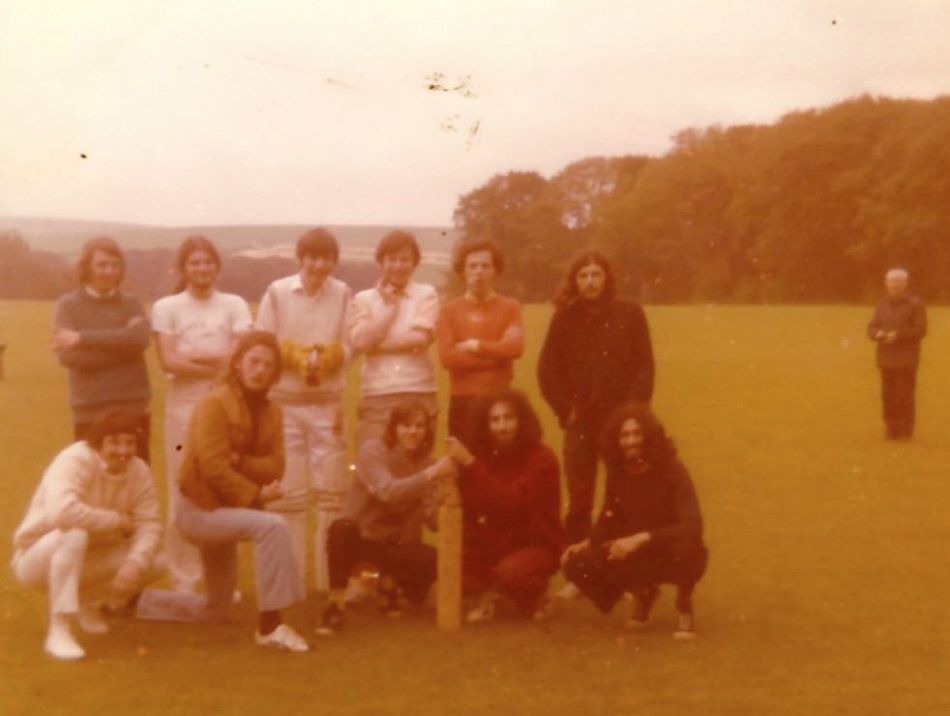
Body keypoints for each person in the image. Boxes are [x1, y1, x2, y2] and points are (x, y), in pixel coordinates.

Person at [136, 331, 309, 652]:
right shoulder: (214, 403)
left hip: (228, 511)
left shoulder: (273, 412)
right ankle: (271, 626)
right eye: (254, 361)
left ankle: (137, 601)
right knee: (272, 526)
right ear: (238, 364)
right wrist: (255, 496)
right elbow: (214, 467)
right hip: (199, 512)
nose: (260, 370)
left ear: (275, 373)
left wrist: (239, 460)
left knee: (214, 610)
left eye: (268, 365)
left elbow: (277, 467)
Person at [11, 409, 164, 660]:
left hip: (87, 557)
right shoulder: (74, 459)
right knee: (74, 535)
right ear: (98, 442)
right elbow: (62, 513)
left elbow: (150, 523)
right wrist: (116, 521)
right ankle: (59, 628)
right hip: (37, 557)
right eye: (114, 442)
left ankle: (87, 604)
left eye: (130, 443)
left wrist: (134, 564)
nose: (123, 450)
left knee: (156, 562)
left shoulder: (139, 470)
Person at [151, 236, 253, 594]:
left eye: (208, 262)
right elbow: (168, 360)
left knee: (221, 488)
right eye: (194, 263)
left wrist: (192, 356)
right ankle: (184, 577)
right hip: (183, 408)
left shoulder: (234, 304)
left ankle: (220, 579)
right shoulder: (167, 307)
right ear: (183, 268)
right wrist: (219, 360)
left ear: (217, 266)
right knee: (183, 487)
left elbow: (241, 357)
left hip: (226, 409)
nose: (202, 268)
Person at [538, 251, 654, 554]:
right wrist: (566, 410)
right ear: (574, 281)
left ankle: (626, 562)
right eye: (583, 275)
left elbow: (645, 368)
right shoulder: (564, 318)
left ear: (607, 278)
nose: (590, 282)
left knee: (628, 494)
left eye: (596, 274)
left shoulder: (630, 314)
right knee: (580, 499)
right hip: (581, 424)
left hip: (622, 424)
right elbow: (547, 371)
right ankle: (580, 569)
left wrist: (632, 416)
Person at [255, 228, 351, 592]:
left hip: (327, 404)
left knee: (330, 496)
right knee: (290, 497)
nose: (319, 265)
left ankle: (330, 582)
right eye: (312, 257)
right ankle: (290, 581)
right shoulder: (278, 292)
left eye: (326, 258)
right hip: (285, 405)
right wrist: (293, 355)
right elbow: (263, 340)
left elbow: (350, 343)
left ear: (333, 261)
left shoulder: (342, 293)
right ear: (301, 259)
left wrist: (331, 358)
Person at [561, 404, 708, 638]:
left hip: (670, 547)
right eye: (624, 435)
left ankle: (684, 604)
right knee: (577, 562)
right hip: (635, 549)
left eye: (637, 434)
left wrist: (641, 538)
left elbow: (692, 525)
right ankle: (644, 593)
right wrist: (588, 542)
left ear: (648, 436)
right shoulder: (617, 470)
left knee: (687, 550)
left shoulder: (672, 469)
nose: (631, 441)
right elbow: (609, 514)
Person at [318, 399, 456, 634]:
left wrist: (448, 491)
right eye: (406, 425)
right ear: (394, 428)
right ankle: (335, 605)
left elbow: (433, 523)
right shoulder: (372, 451)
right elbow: (388, 491)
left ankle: (388, 587)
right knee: (340, 528)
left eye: (419, 426)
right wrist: (432, 474)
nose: (413, 432)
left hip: (393, 544)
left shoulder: (427, 464)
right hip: (359, 539)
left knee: (432, 560)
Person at [445, 390, 563, 622]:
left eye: (508, 418)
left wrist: (469, 462)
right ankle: (494, 590)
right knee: (458, 573)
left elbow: (509, 501)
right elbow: (472, 505)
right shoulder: (486, 456)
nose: (502, 427)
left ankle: (534, 594)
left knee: (511, 573)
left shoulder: (542, 458)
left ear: (521, 420)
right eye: (494, 420)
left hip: (538, 543)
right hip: (499, 539)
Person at [51, 237, 152, 461]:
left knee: (135, 478)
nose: (109, 271)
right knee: (90, 478)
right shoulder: (68, 305)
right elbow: (69, 357)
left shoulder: (132, 303)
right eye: (102, 265)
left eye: (115, 265)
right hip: (89, 407)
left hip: (132, 406)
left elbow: (139, 341)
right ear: (87, 267)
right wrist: (123, 348)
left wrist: (82, 338)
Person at [348, 230, 440, 448]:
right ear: (381, 262)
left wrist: (375, 345)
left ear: (414, 262)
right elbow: (360, 343)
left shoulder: (427, 294)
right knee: (374, 462)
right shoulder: (364, 299)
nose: (398, 266)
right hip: (377, 393)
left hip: (419, 390)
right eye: (391, 259)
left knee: (416, 464)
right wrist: (391, 308)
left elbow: (419, 339)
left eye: (404, 259)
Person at [436, 237, 524, 441]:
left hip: (500, 401)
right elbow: (447, 358)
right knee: (463, 468)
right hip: (463, 401)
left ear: (495, 270)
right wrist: (497, 353)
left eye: (485, 265)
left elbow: (515, 348)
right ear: (463, 271)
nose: (479, 272)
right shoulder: (449, 310)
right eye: (472, 266)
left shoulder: (510, 307)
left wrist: (474, 346)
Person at [867, 268, 927, 440]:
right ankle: (891, 429)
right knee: (888, 396)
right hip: (885, 358)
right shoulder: (882, 304)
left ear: (905, 284)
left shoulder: (915, 304)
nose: (894, 285)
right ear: (886, 284)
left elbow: (921, 330)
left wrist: (898, 335)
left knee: (904, 395)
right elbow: (872, 327)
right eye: (891, 282)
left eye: (898, 282)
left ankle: (905, 431)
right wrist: (877, 334)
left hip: (906, 359)